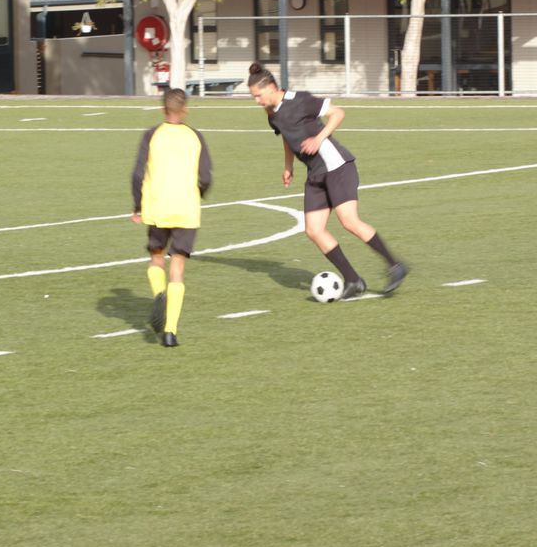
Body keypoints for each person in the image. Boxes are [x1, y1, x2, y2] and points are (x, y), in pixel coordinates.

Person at [246, 62, 407, 299]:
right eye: (253, 97)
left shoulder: (299, 100)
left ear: (271, 87)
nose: (256, 101)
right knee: (313, 230)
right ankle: (353, 280)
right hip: (315, 174)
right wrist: (288, 165)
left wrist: (319, 138)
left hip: (337, 167)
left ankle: (395, 266)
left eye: (258, 96)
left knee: (349, 221)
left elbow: (338, 113)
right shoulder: (271, 114)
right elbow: (286, 136)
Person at [131, 88, 212, 347]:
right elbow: (206, 176)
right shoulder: (195, 136)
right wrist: (197, 194)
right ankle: (170, 331)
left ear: (163, 109)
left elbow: (137, 174)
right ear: (185, 109)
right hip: (186, 209)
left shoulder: (152, 135)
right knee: (177, 267)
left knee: (157, 258)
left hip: (157, 207)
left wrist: (137, 206)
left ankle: (159, 295)